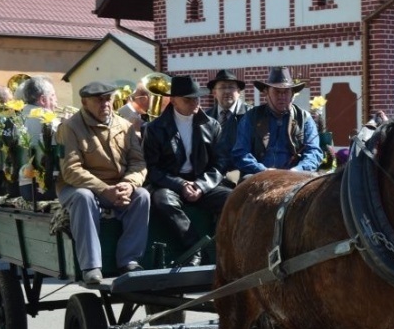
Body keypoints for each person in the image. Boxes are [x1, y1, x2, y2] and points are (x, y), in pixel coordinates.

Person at [56, 81, 150, 285]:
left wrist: (129, 184)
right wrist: (103, 189)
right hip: (79, 187)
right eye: (98, 100)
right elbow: (71, 170)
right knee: (84, 197)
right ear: (84, 102)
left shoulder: (124, 125)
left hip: (117, 188)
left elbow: (138, 162)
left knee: (142, 195)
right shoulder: (70, 127)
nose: (105, 104)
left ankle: (129, 259)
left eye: (108, 99)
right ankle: (91, 266)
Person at [143, 75, 230, 266]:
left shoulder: (211, 125)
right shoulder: (155, 128)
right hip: (170, 184)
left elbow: (220, 163)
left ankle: (223, 248)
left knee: (231, 198)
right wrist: (180, 184)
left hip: (202, 182)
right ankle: (195, 249)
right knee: (163, 200)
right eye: (187, 99)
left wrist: (201, 185)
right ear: (173, 100)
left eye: (197, 98)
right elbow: (152, 169)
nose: (194, 102)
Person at [231, 66, 322, 177]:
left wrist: (298, 170)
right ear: (266, 93)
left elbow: (314, 152)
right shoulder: (251, 117)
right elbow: (240, 153)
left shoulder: (304, 118)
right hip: (258, 176)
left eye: (286, 92)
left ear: (292, 94)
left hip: (295, 177)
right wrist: (262, 171)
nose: (282, 96)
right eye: (277, 92)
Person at [205, 69, 250, 182]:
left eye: (231, 87)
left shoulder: (251, 115)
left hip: (241, 173)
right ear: (214, 93)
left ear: (239, 91)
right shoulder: (205, 118)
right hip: (211, 174)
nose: (227, 91)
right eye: (222, 87)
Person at [19, 76, 59, 201]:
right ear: (43, 100)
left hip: (24, 188)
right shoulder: (49, 119)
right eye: (53, 96)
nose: (56, 100)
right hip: (50, 188)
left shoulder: (17, 119)